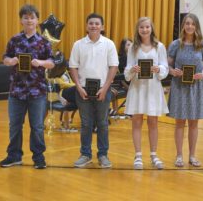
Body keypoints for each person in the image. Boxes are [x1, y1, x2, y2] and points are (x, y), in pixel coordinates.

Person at [0, 4, 55, 169]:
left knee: (37, 126)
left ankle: (38, 157)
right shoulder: (14, 40)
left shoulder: (44, 42)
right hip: (16, 91)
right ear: (21, 20)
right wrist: (11, 61)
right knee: (15, 125)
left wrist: (41, 63)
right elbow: (5, 58)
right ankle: (14, 156)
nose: (29, 20)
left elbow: (52, 62)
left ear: (37, 21)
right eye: (26, 17)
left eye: (32, 17)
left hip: (37, 91)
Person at [69, 13, 118, 168]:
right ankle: (85, 154)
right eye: (91, 23)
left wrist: (105, 88)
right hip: (82, 90)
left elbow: (114, 67)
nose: (94, 26)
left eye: (97, 23)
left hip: (103, 90)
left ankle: (103, 155)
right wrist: (78, 87)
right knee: (85, 124)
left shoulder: (109, 44)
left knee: (103, 123)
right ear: (86, 26)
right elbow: (73, 67)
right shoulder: (78, 44)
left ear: (102, 27)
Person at [167, 13, 203, 168]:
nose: (190, 26)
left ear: (196, 26)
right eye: (187, 23)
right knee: (180, 123)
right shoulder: (175, 45)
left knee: (194, 123)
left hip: (196, 88)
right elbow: (168, 66)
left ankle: (192, 155)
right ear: (183, 26)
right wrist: (173, 72)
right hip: (179, 86)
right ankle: (179, 155)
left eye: (192, 23)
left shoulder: (202, 45)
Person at [124, 17, 169, 170]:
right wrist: (132, 70)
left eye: (147, 27)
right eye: (142, 27)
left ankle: (154, 155)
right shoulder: (133, 48)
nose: (144, 30)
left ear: (151, 28)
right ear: (138, 29)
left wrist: (159, 69)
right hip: (137, 88)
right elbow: (127, 70)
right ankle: (138, 156)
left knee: (153, 122)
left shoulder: (160, 46)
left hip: (153, 88)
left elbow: (165, 68)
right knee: (136, 121)